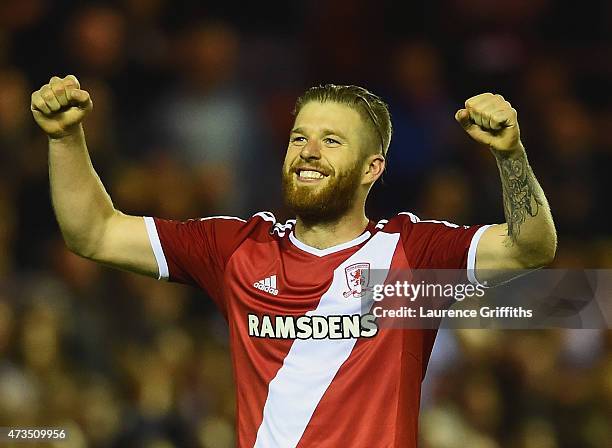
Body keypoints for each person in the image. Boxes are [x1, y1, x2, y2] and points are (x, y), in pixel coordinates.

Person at [31, 75, 556, 447]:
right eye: (298, 138)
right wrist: (64, 138)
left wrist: (510, 156)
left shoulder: (410, 254)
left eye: (331, 141)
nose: (308, 151)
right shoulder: (238, 249)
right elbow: (94, 233)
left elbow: (532, 246)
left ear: (372, 169)